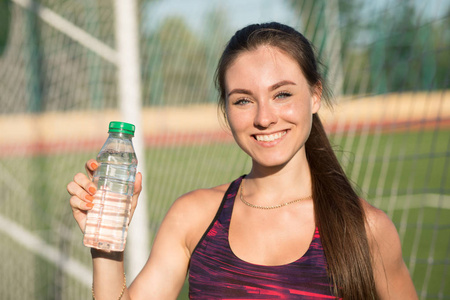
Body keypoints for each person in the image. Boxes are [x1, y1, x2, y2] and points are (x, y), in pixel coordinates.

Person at [67, 22, 418, 299]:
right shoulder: (194, 217)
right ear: (226, 110)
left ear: (315, 95)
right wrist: (106, 245)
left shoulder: (365, 229)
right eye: (243, 100)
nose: (264, 118)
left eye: (282, 94)